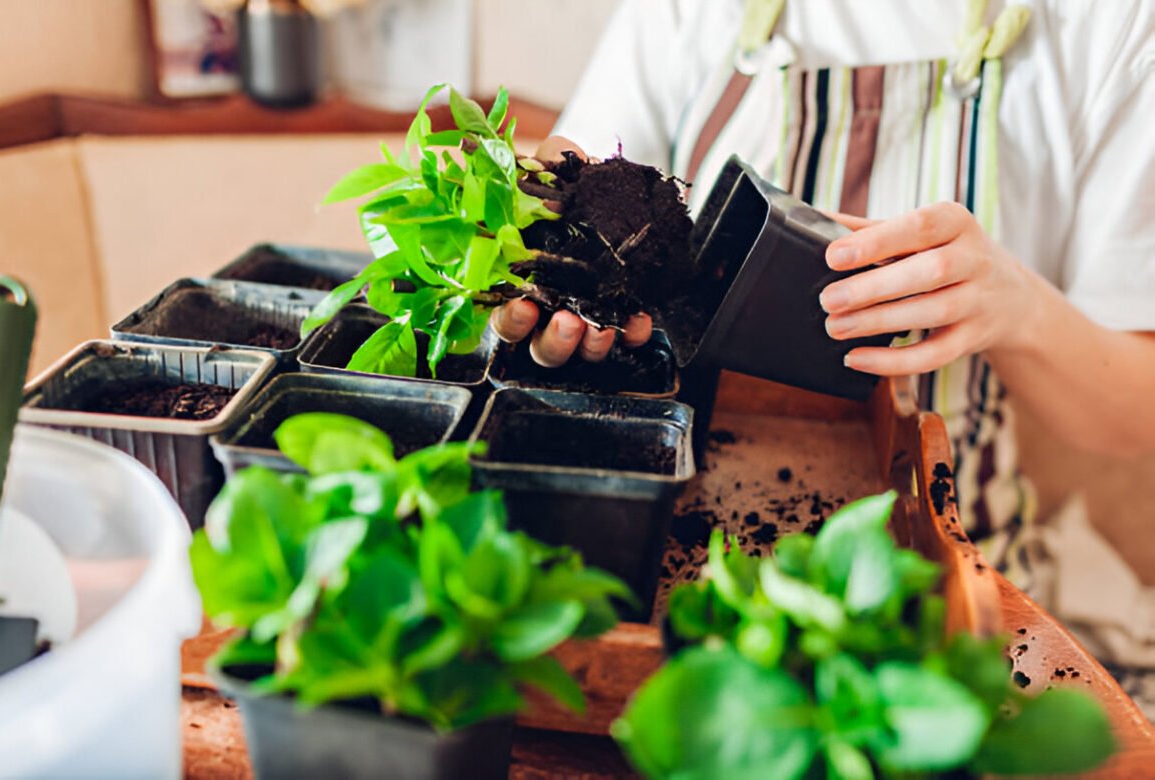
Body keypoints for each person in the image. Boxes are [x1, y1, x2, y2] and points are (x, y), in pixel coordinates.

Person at [489, 0, 1155, 586]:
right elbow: (580, 175)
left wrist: (1018, 307)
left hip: (949, 564)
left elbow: (1135, 411)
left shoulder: (1108, 22)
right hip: (675, 543)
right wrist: (545, 252)